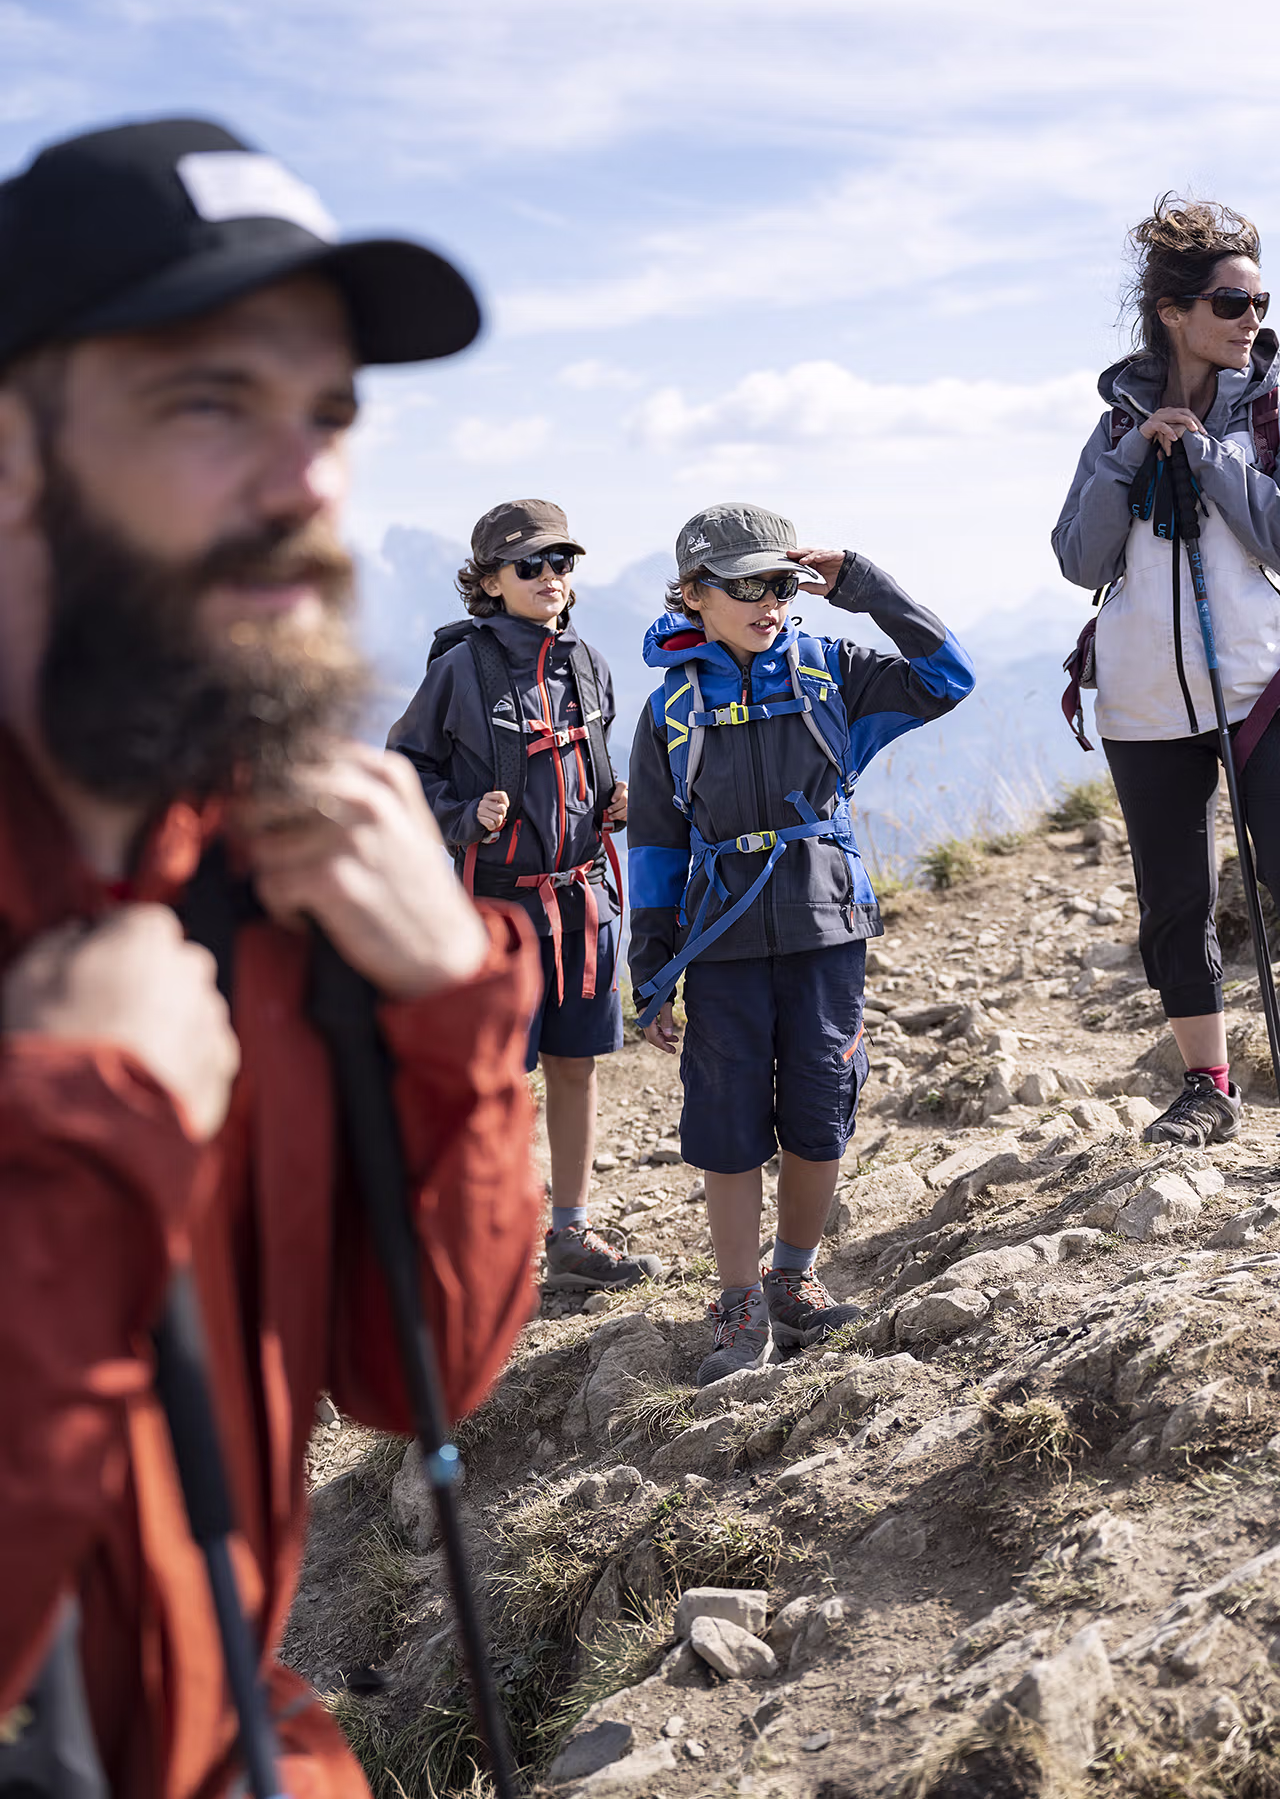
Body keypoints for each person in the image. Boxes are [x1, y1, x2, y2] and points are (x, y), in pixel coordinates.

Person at [0, 116, 542, 1798]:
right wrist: (79, 1140)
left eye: (326, 416)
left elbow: (411, 1378)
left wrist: (456, 1005)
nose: (307, 480)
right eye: (207, 403)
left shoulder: (272, 878)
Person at [627, 503, 974, 1384]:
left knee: (822, 1108)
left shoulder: (833, 671)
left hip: (826, 927)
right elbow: (658, 848)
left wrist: (861, 582)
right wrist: (650, 967)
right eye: (743, 585)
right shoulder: (669, 708)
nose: (767, 601)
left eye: (778, 583)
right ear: (694, 595)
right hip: (719, 942)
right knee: (728, 1123)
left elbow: (949, 675)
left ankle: (794, 1277)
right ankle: (739, 1300)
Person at [388, 500, 663, 1292]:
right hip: (497, 910)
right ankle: (484, 1242)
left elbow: (596, 772)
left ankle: (571, 1234)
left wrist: (619, 800)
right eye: (530, 567)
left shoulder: (589, 662)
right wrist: (461, 813)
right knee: (496, 1082)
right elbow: (405, 769)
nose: (551, 579)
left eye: (562, 564)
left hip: (584, 905)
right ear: (487, 582)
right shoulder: (457, 671)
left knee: (575, 1066)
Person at [1055, 196, 1280, 1150]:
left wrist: (1205, 453)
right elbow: (1077, 558)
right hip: (1145, 703)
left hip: (1262, 688)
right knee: (1176, 903)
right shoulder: (1113, 424)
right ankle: (1208, 1086)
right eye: (1234, 304)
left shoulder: (1265, 416)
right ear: (1174, 311)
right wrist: (1133, 456)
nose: (1253, 323)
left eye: (1262, 304)